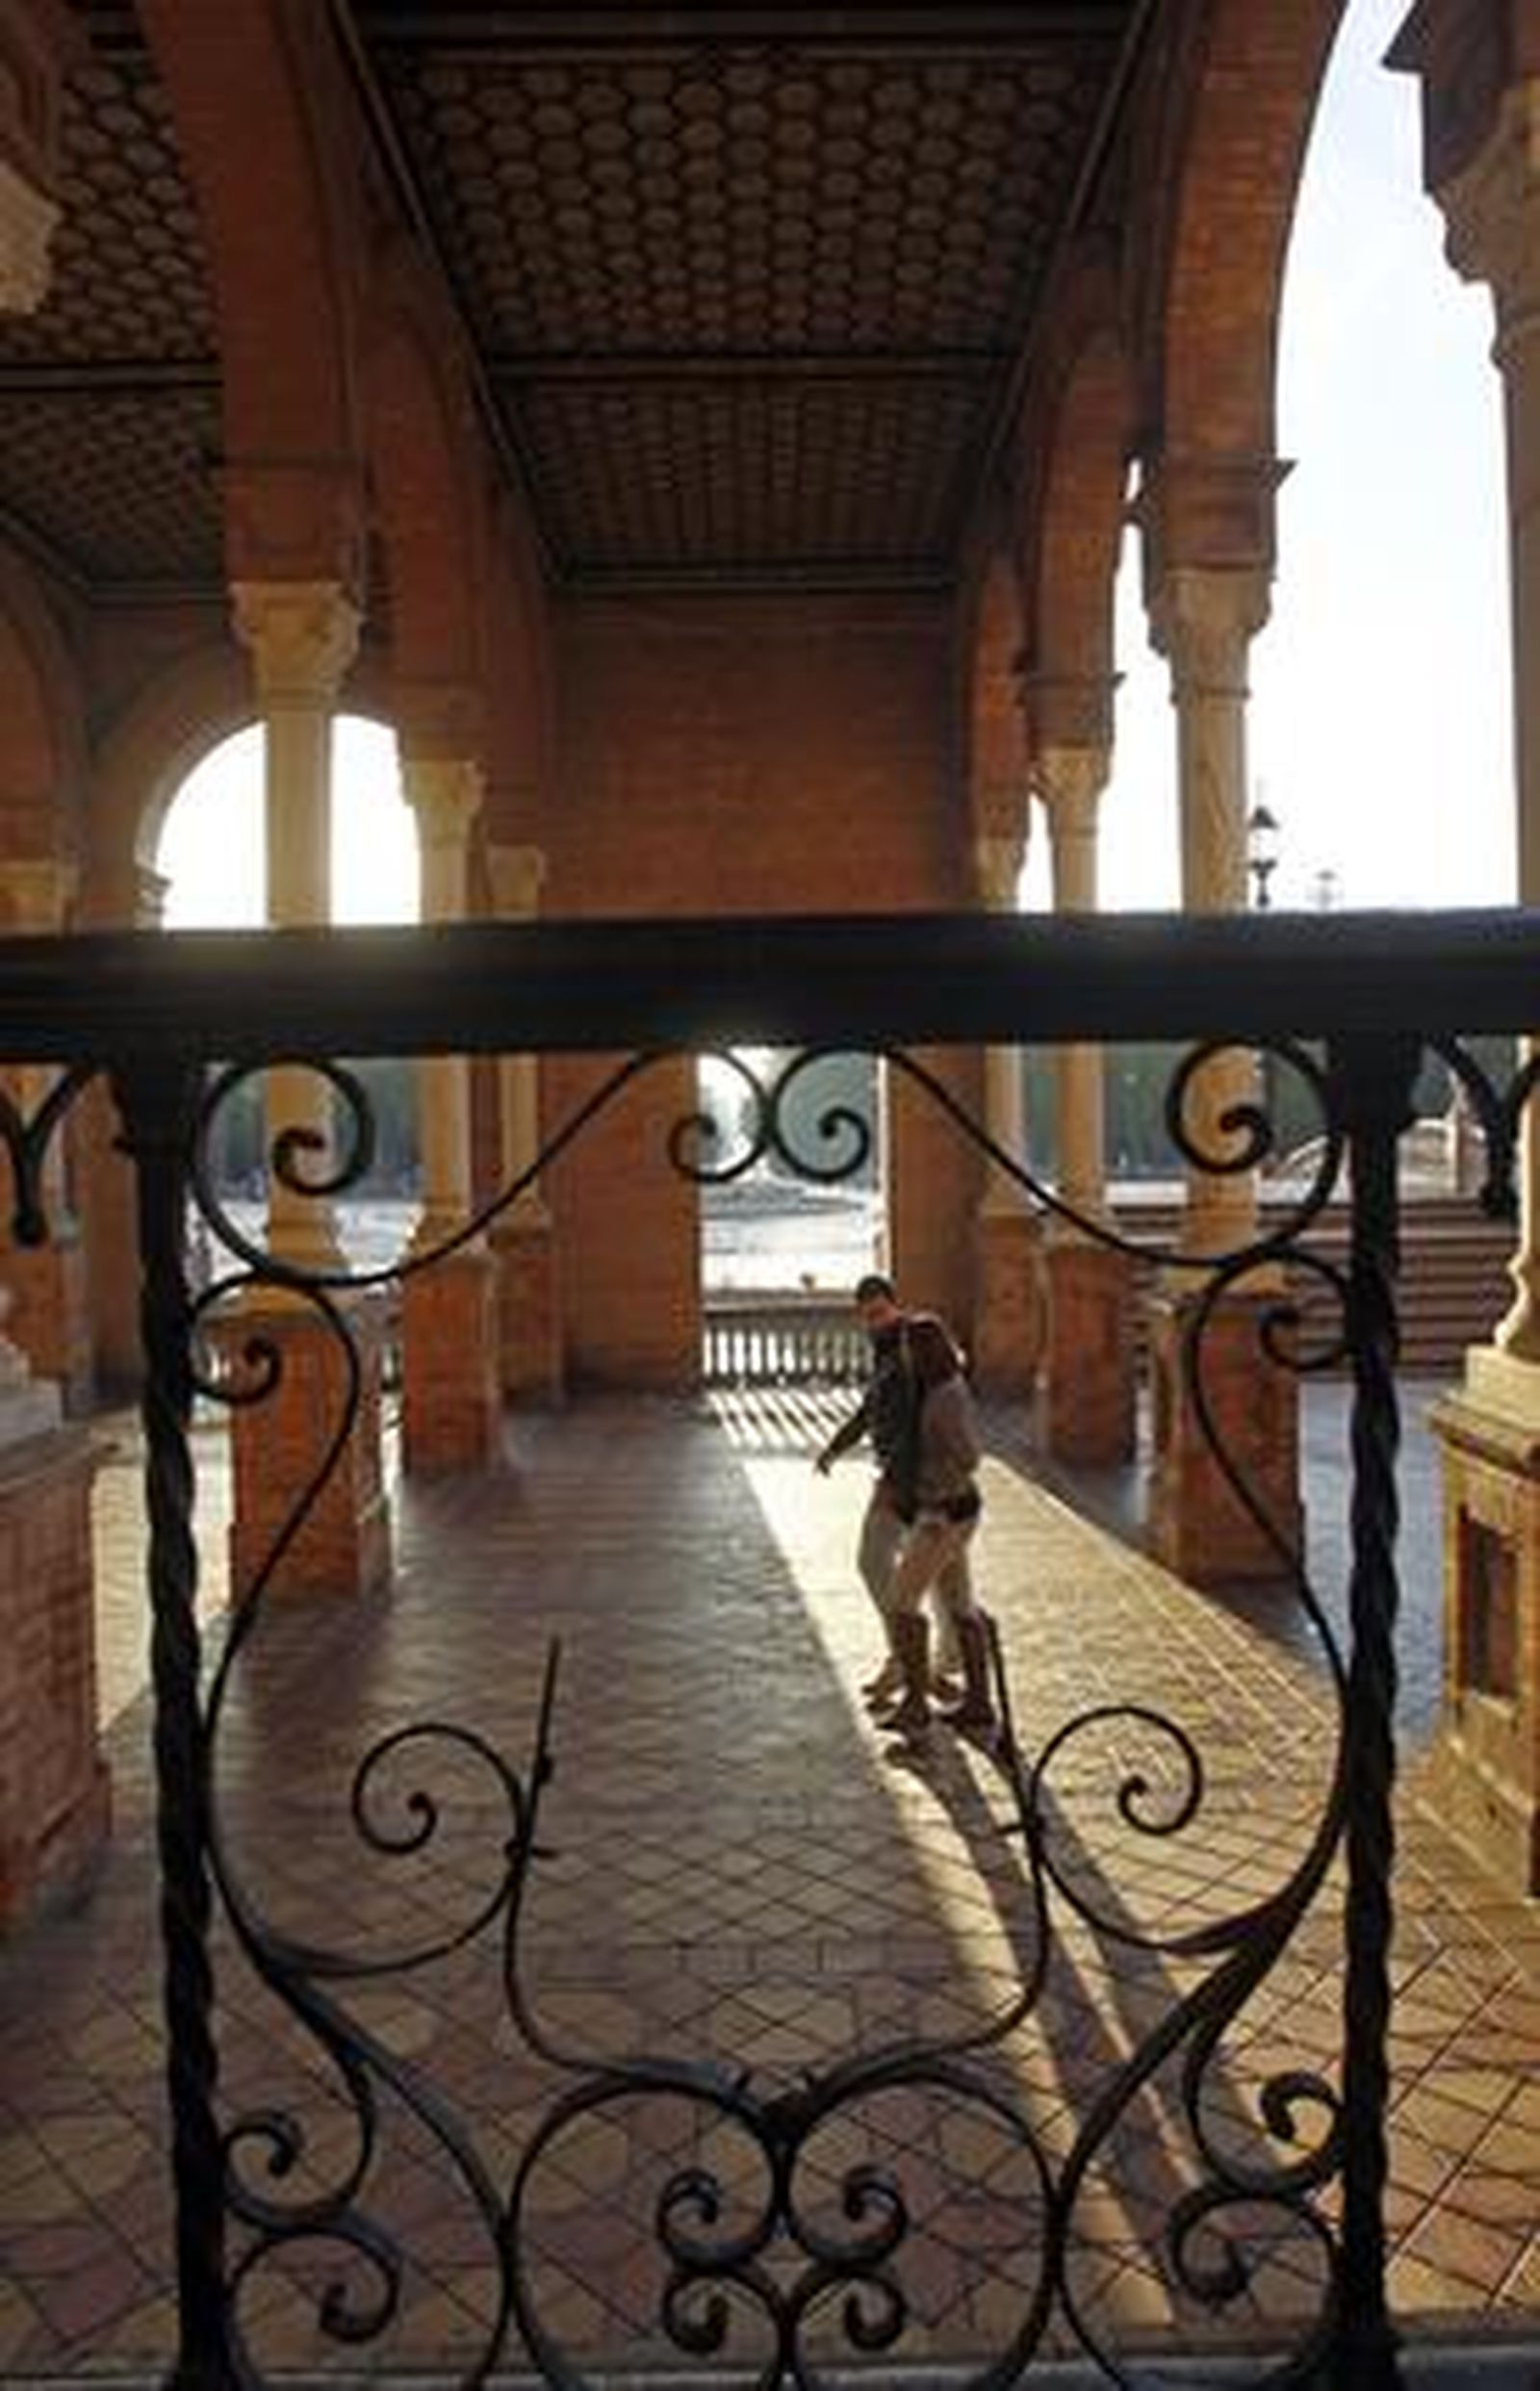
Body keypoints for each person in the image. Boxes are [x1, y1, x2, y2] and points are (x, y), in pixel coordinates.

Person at [814, 1273, 995, 1740]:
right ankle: (977, 1702)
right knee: (958, 1602)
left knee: (901, 1602)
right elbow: (874, 1413)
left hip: (940, 1511)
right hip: (944, 1507)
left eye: (910, 1347)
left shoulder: (941, 1397)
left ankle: (916, 1699)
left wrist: (926, 1471)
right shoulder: (927, 1382)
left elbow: (969, 1455)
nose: (902, 1352)